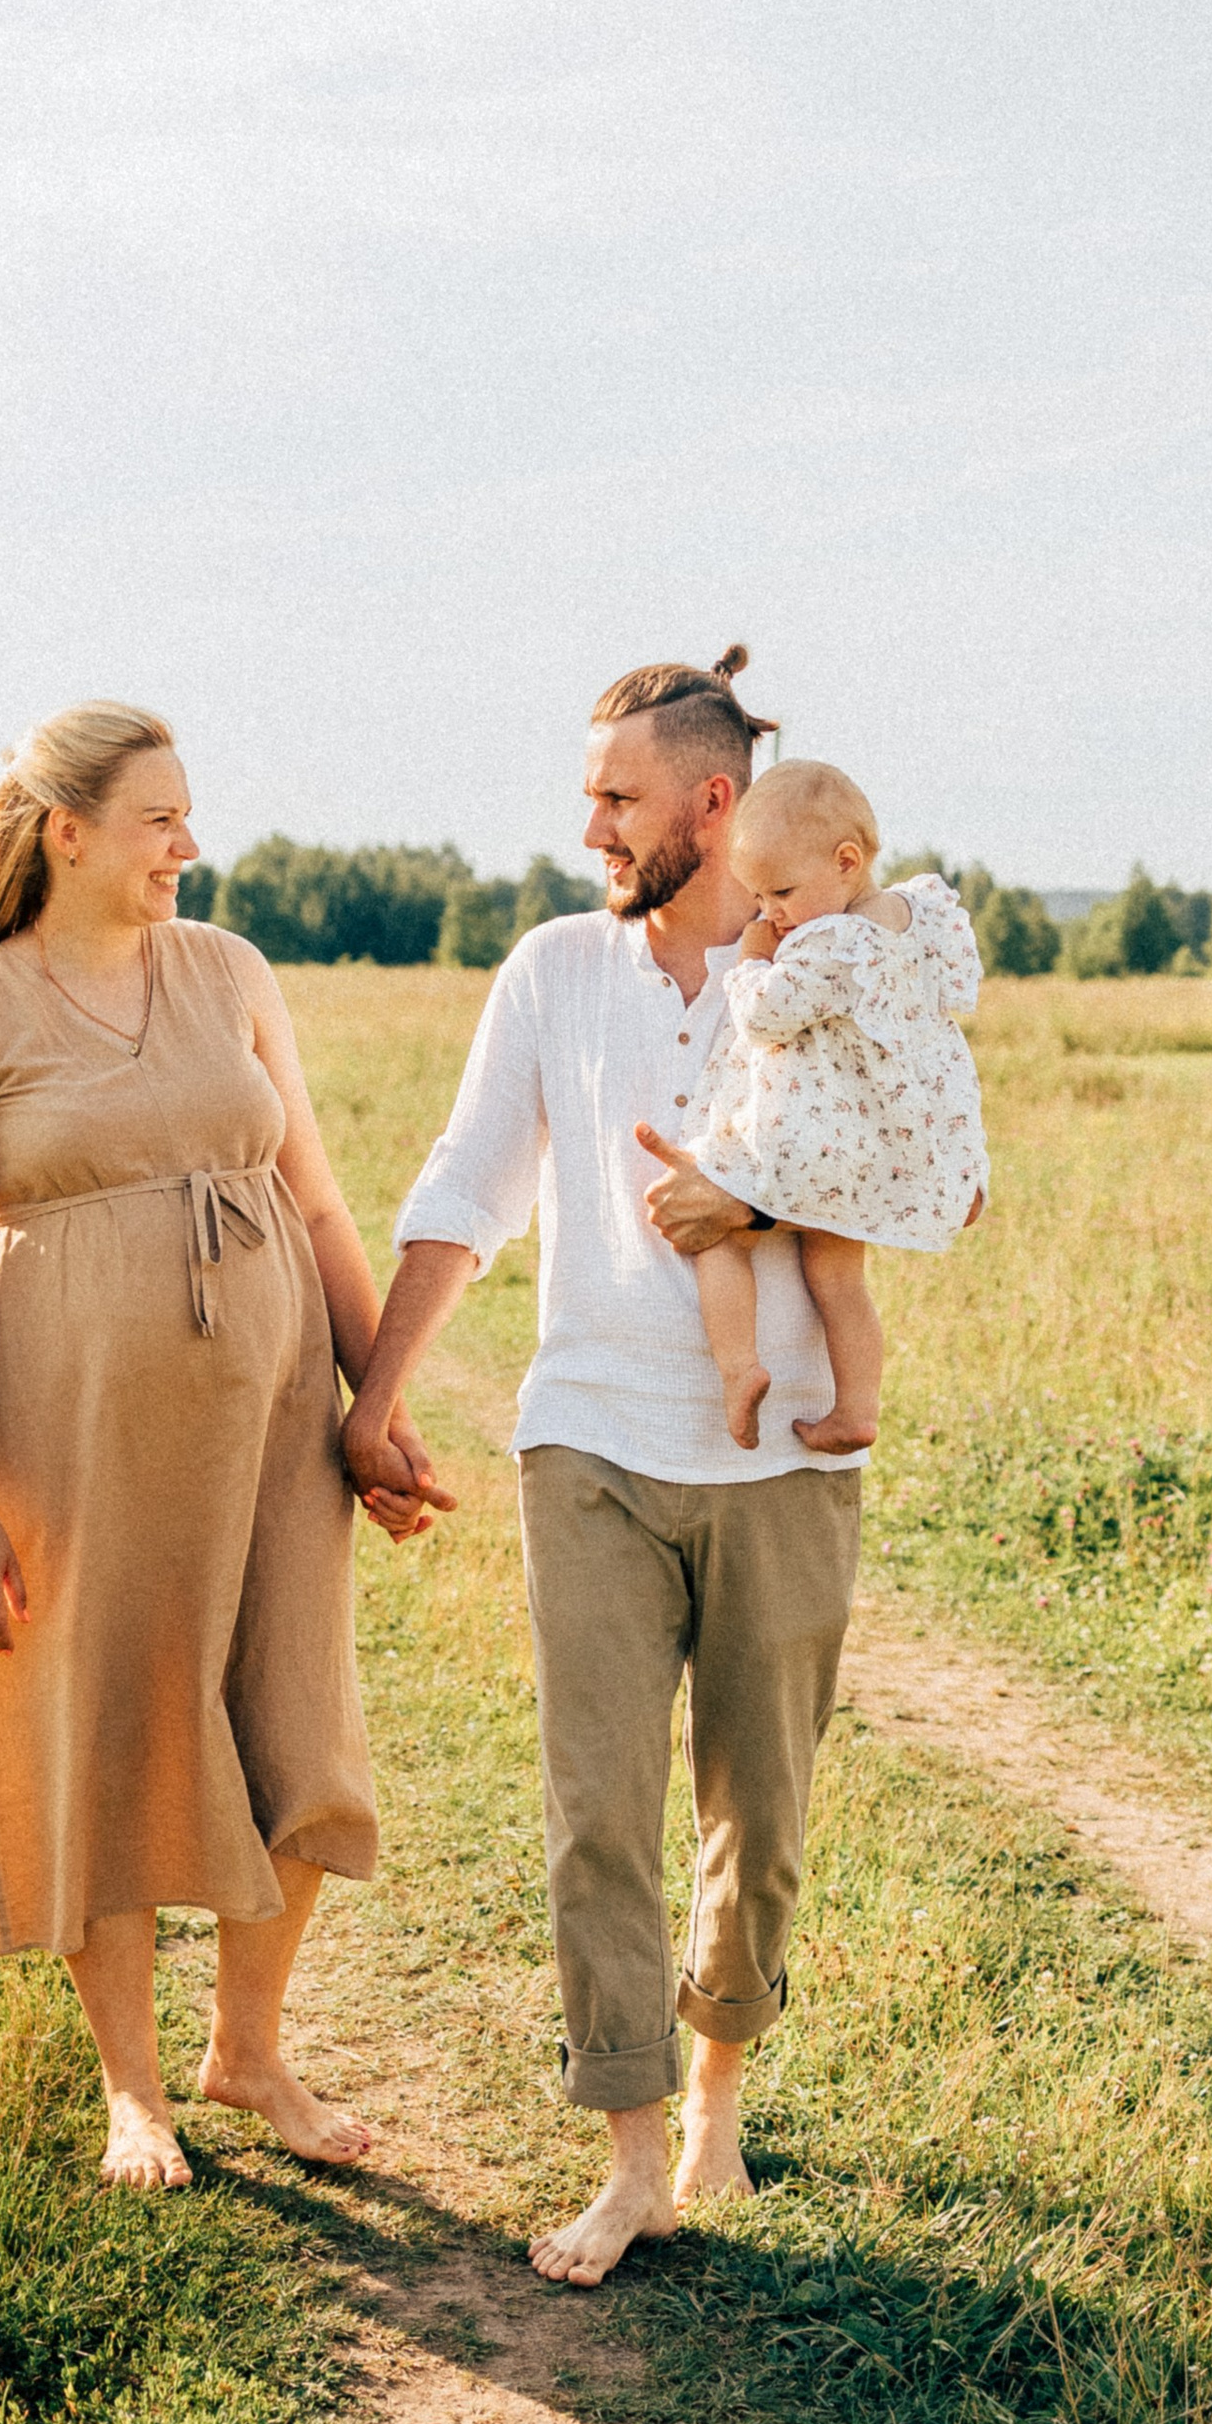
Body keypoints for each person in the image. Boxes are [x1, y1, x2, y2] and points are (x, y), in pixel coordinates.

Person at [341, 646, 873, 2287]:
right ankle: (633, 2156)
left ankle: (716, 2098)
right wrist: (377, 1395)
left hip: (782, 1455)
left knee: (759, 1818)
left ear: (714, 804)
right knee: (598, 1812)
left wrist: (754, 1204)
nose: (591, 828)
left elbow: (937, 1179)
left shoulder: (835, 969)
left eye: (617, 798)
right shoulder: (556, 971)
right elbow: (469, 1183)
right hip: (589, 1438)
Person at [0, 701, 439, 2192]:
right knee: (112, 1736)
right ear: (67, 834)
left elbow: (316, 1203)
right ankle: (133, 2090)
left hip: (272, 1422)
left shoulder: (230, 972)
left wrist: (373, 1404)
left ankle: (248, 2052)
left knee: (300, 1734)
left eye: (188, 815)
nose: (189, 843)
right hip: (74, 1438)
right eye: (160, 819)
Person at [685, 760, 988, 1455]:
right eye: (758, 898)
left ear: (846, 862)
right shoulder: (918, 917)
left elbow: (765, 1016)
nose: (770, 914)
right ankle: (856, 1410)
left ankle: (739, 1368)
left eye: (782, 892)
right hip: (880, 1141)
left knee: (715, 1231)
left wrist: (751, 962)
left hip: (816, 1139)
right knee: (838, 1276)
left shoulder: (834, 944)